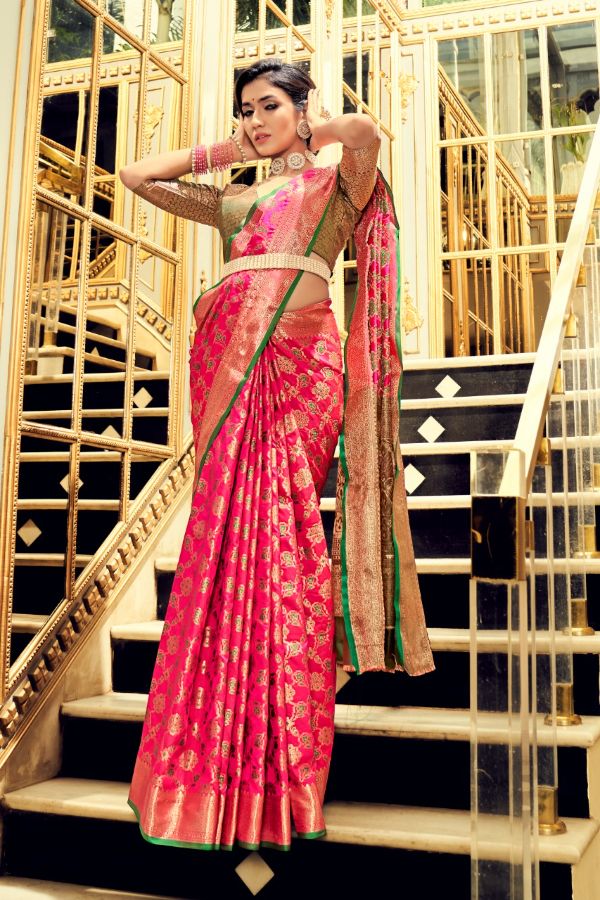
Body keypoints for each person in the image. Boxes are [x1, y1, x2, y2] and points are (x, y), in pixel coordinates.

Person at [119, 58, 434, 853]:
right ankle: (208, 753)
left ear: (302, 107)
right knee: (224, 546)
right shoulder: (230, 200)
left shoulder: (338, 185)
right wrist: (233, 150)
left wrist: (302, 133)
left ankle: (282, 753)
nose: (255, 120)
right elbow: (136, 175)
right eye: (246, 110)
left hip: (300, 362)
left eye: (269, 106)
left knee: (285, 539)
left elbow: (364, 132)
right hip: (224, 362)